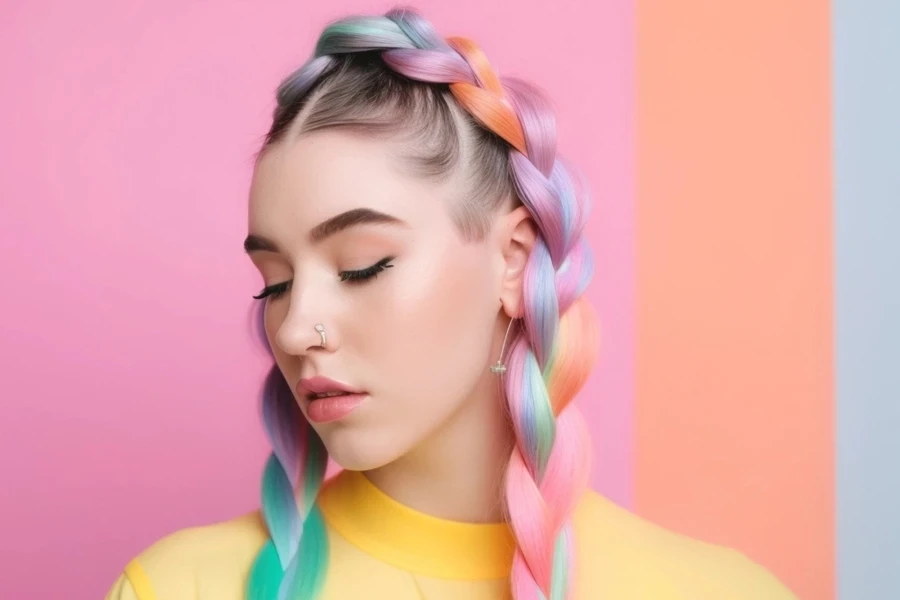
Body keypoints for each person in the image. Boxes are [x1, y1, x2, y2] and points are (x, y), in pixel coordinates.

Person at [105, 7, 799, 600]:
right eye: (275, 281)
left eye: (361, 265)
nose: (292, 328)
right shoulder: (181, 586)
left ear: (514, 260)